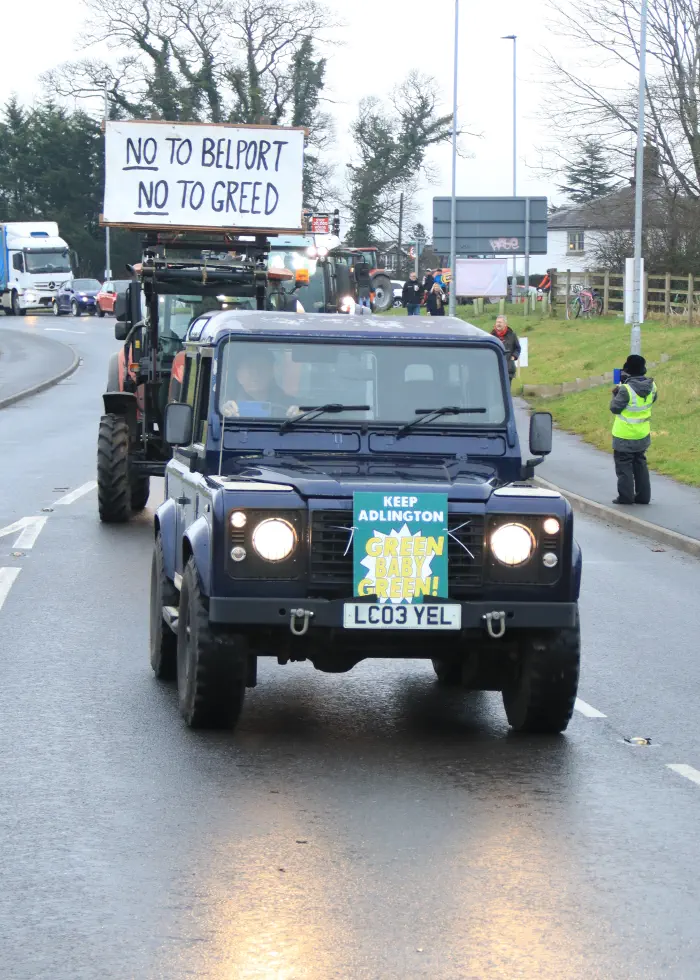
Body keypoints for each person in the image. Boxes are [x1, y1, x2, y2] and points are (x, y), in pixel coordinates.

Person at [610, 354, 658, 505]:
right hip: (642, 434)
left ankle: (626, 497)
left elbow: (615, 408)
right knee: (640, 463)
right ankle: (643, 497)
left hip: (624, 435)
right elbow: (651, 400)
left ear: (627, 370)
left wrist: (615, 394)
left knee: (624, 465)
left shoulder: (625, 389)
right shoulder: (652, 386)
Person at [221, 347, 299, 418]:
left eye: (260, 366)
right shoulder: (226, 404)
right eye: (250, 367)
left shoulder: (289, 404)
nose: (256, 373)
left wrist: (300, 416)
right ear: (238, 375)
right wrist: (225, 413)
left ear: (271, 372)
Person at [491, 315, 521, 380]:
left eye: (500, 322)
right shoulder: (491, 336)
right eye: (497, 322)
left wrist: (514, 356)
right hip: (495, 369)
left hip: (508, 369)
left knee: (507, 389)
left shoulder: (512, 335)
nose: (498, 324)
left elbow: (518, 348)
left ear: (505, 324)